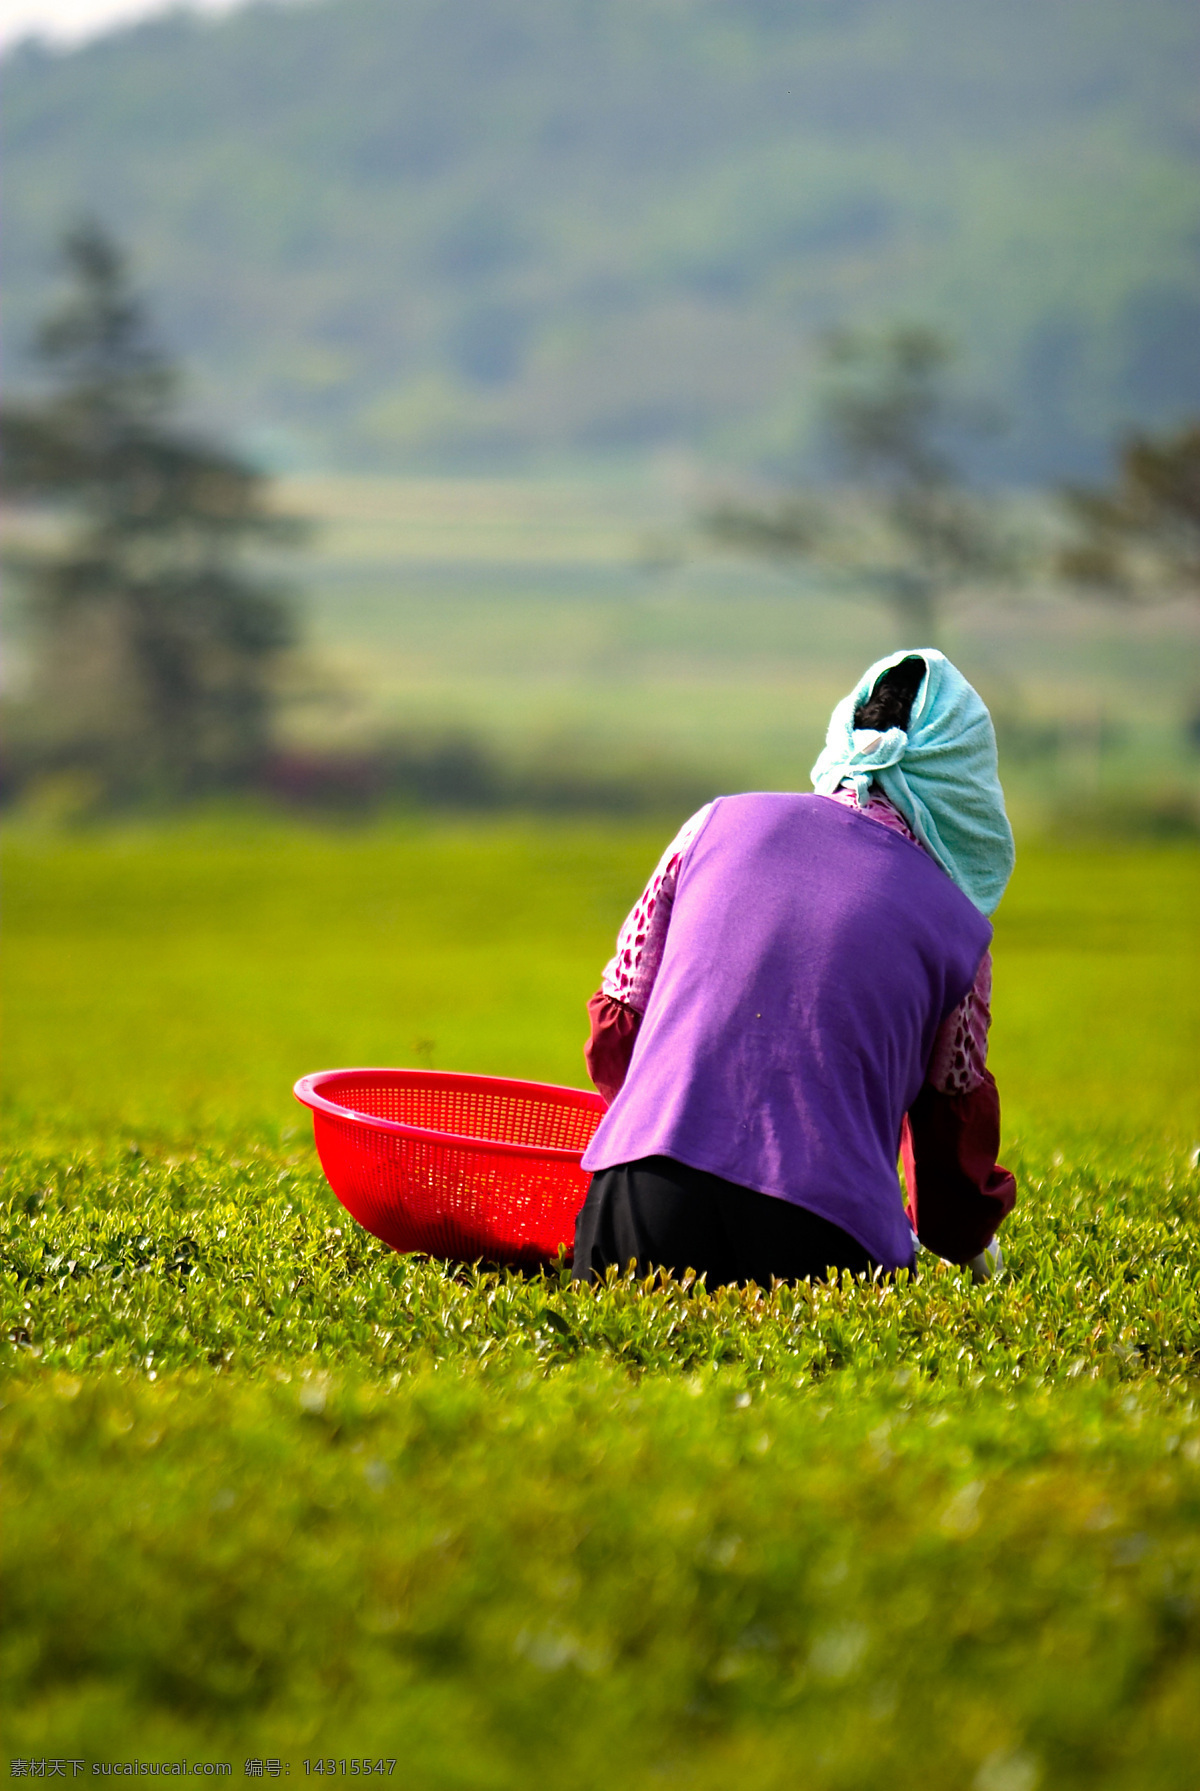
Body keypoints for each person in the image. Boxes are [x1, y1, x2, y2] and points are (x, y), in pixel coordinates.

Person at [572, 648, 1017, 1289]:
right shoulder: (959, 932)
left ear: (844, 737)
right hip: (824, 1237)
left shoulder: (711, 826)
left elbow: (617, 1030)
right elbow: (951, 1140)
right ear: (963, 777)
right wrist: (968, 1239)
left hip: (639, 1203)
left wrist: (665, 1131)